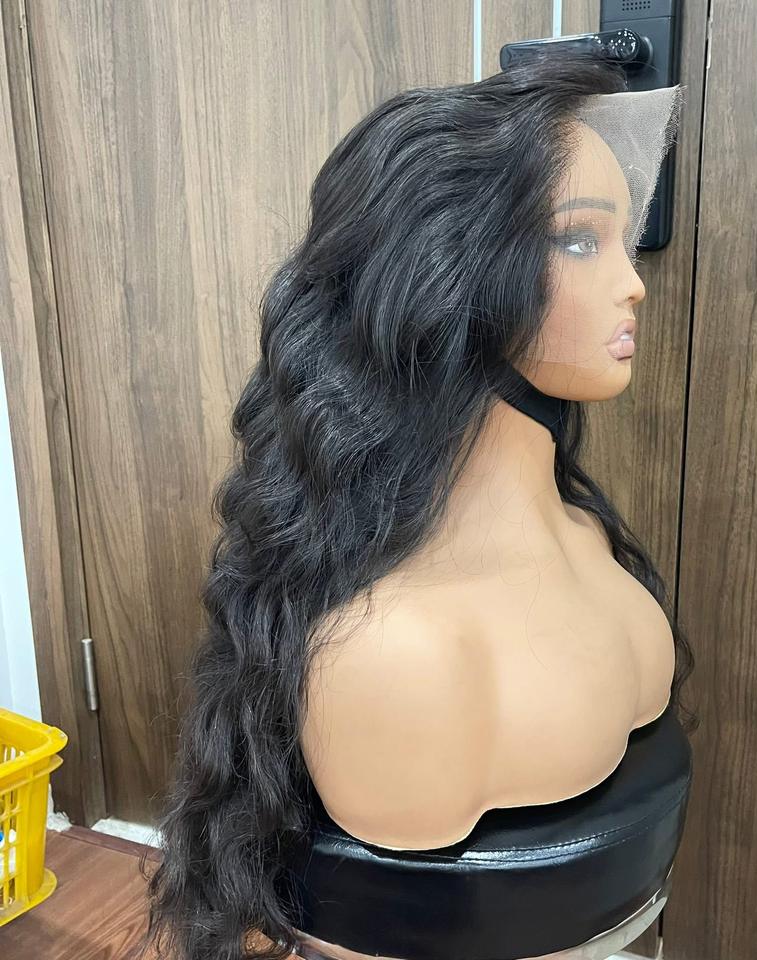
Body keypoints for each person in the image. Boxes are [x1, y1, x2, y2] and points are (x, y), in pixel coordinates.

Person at [139, 46, 697, 960]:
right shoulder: (397, 653)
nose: (632, 281)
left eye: (618, 240)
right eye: (579, 241)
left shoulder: (585, 536)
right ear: (451, 277)